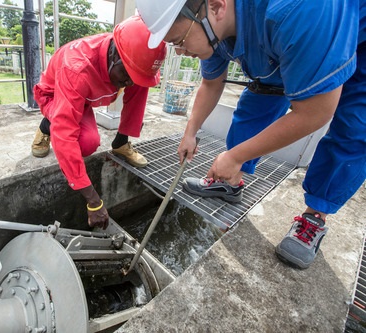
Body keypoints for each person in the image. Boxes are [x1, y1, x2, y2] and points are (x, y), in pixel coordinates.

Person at [136, 0, 366, 269]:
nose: (181, 52)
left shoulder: (300, 9)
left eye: (179, 41)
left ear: (217, 7)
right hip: (283, 38)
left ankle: (315, 215)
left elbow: (315, 112)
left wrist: (235, 155)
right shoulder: (214, 27)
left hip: (352, 36)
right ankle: (231, 182)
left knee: (354, 127)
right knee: (256, 101)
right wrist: (190, 132)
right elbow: (211, 84)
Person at [31, 15, 167, 230]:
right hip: (56, 94)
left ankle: (121, 142)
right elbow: (65, 137)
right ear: (113, 54)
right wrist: (93, 201)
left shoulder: (129, 55)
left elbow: (135, 81)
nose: (128, 83)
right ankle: (48, 124)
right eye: (126, 74)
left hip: (81, 98)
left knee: (141, 82)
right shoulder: (76, 68)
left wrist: (133, 78)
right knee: (86, 143)